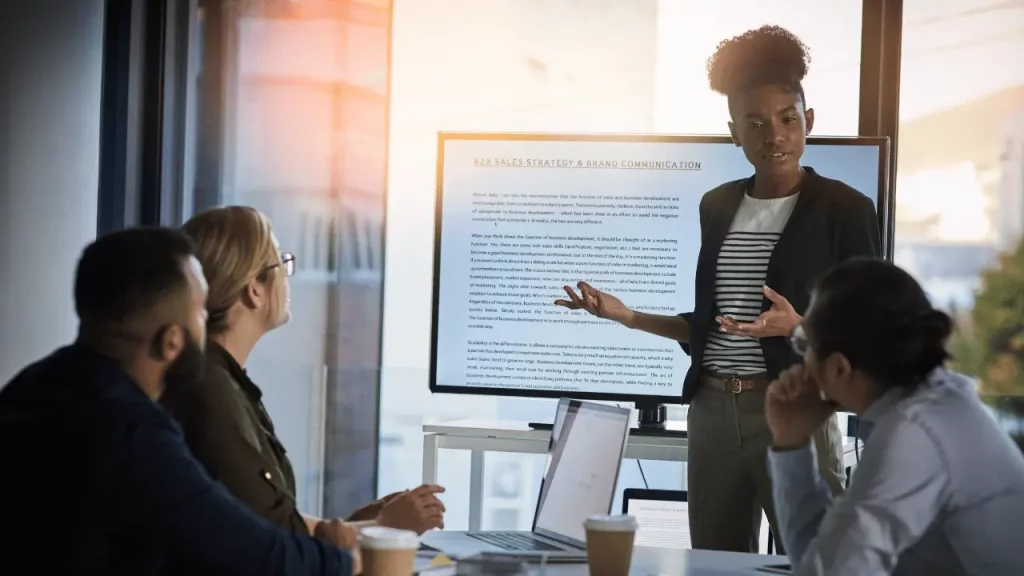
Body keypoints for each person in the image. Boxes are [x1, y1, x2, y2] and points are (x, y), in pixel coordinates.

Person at [555, 25, 880, 553]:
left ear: (809, 122)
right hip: (709, 411)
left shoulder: (845, 209)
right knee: (714, 561)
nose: (773, 135)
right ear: (734, 133)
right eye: (755, 124)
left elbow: (871, 328)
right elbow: (705, 325)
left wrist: (798, 327)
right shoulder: (717, 205)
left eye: (787, 119)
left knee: (818, 557)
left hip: (793, 407)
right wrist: (627, 316)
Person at [0, 227, 359, 574]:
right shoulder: (128, 435)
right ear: (170, 342)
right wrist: (343, 559)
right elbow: (254, 553)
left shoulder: (34, 384)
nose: (209, 323)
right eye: (201, 312)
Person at [162, 206, 446, 537]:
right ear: (254, 289)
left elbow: (266, 517)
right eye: (280, 262)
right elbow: (272, 534)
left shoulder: (219, 381)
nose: (286, 273)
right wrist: (381, 528)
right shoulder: (212, 391)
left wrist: (356, 525)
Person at [767, 258, 1024, 575]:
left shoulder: (915, 432)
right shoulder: (927, 407)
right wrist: (791, 443)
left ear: (838, 368)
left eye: (804, 343)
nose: (803, 360)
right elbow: (820, 557)